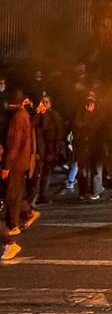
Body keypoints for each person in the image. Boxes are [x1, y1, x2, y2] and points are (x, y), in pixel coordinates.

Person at [3, 91, 40, 236]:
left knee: (11, 195)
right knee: (15, 193)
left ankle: (13, 226)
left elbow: (14, 144)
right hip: (21, 161)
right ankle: (28, 212)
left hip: (16, 162)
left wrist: (6, 166)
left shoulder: (17, 118)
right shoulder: (23, 116)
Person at [31, 96, 65, 204]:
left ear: (50, 104)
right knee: (38, 173)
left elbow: (59, 131)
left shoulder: (54, 115)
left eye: (46, 102)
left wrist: (57, 148)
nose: (44, 104)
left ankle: (43, 195)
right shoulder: (37, 115)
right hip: (40, 150)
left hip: (50, 149)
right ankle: (34, 197)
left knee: (47, 173)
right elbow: (31, 125)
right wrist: (38, 113)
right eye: (42, 102)